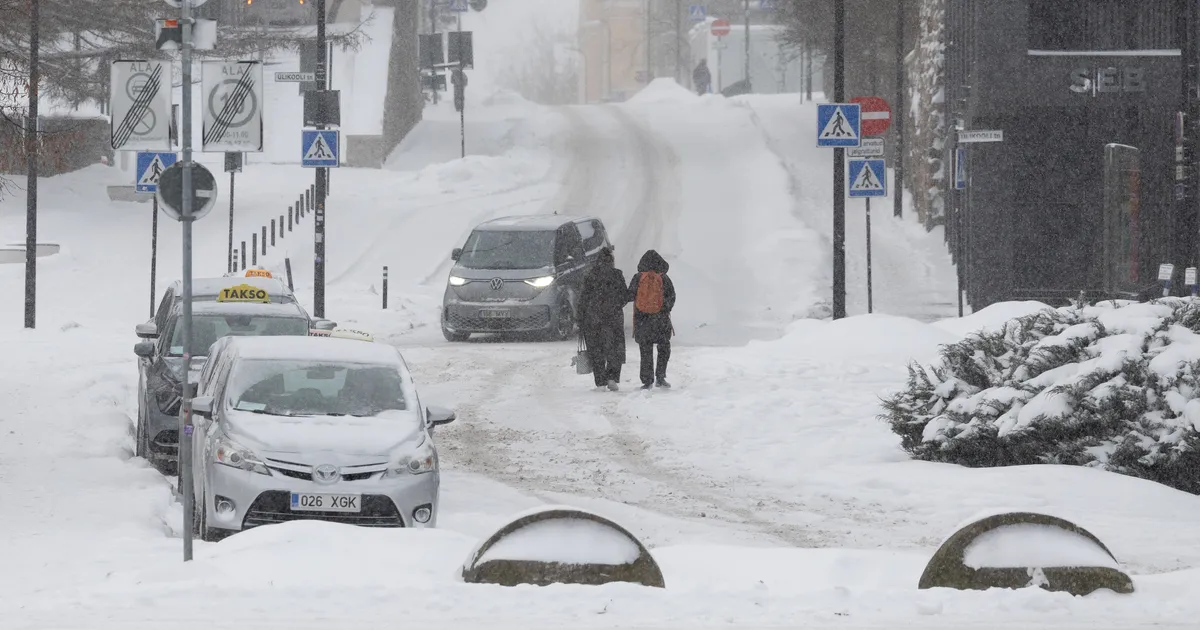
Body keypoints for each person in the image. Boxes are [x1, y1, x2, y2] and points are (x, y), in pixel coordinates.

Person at [578, 247, 630, 391]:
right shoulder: (617, 275)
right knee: (614, 348)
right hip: (613, 318)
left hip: (593, 319)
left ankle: (600, 382)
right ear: (611, 261)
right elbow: (624, 297)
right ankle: (612, 378)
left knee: (596, 350)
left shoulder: (590, 275)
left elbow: (583, 299)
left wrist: (581, 318)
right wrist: (616, 305)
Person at [629, 250, 676, 389]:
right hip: (660, 320)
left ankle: (647, 380)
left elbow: (631, 295)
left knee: (645, 350)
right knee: (664, 348)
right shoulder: (664, 278)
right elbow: (671, 296)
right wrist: (664, 309)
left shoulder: (638, 278)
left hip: (642, 320)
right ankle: (660, 377)